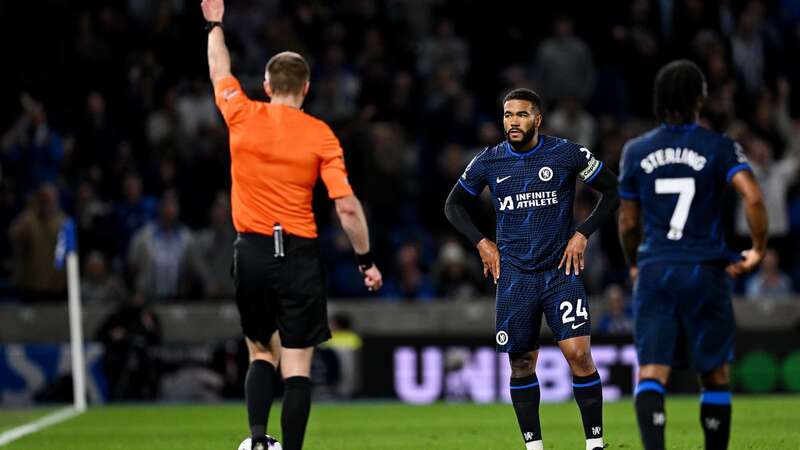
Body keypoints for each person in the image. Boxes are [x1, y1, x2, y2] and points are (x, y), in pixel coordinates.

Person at [200, 1, 384, 449]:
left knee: (261, 351)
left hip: (253, 252)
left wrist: (215, 24)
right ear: (305, 88)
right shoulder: (320, 134)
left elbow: (218, 67)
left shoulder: (240, 113)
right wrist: (366, 261)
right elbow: (347, 209)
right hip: (299, 253)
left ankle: (259, 441)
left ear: (266, 85)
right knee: (297, 364)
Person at [444, 88, 619, 450]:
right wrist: (482, 242)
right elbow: (453, 205)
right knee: (521, 362)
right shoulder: (488, 162)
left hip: (561, 271)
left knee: (579, 354)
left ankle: (595, 444)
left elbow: (612, 189)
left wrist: (583, 234)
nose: (513, 122)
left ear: (537, 119)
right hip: (515, 278)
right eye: (508, 115)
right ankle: (533, 446)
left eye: (521, 115)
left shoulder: (565, 153)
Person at [617, 60, 768, 450]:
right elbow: (752, 196)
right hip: (705, 267)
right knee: (714, 374)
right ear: (700, 99)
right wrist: (758, 249)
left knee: (651, 373)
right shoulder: (718, 146)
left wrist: (634, 263)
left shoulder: (636, 150)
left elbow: (629, 222)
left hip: (656, 267)